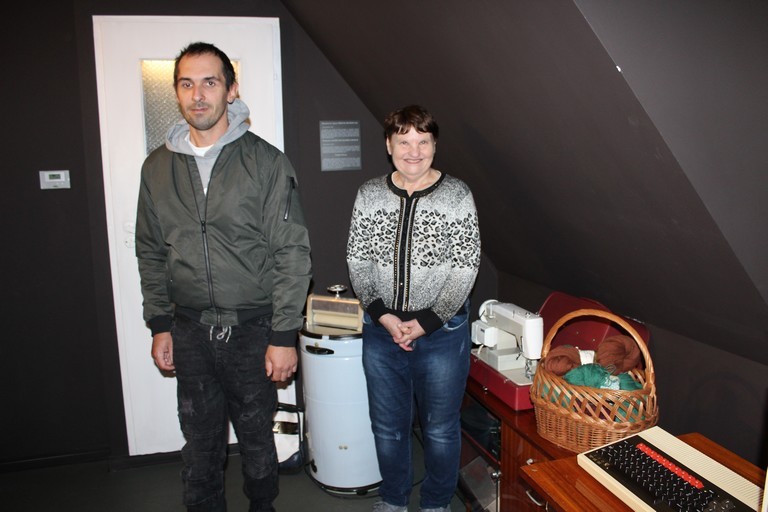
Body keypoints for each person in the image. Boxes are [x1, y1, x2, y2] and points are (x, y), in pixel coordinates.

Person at [135, 41, 312, 512]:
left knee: (257, 440)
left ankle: (262, 506)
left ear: (231, 90)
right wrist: (160, 324)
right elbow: (150, 251)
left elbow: (292, 253)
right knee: (199, 445)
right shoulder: (156, 168)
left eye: (210, 82)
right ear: (177, 92)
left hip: (253, 331)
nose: (198, 95)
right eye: (186, 84)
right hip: (190, 330)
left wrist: (283, 335)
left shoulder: (266, 162)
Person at [346, 105, 481, 512]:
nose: (414, 151)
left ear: (434, 145)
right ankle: (393, 499)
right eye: (404, 141)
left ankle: (436, 503)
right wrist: (384, 316)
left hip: (443, 334)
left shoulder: (457, 195)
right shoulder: (370, 194)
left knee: (440, 429)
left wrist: (425, 322)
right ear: (389, 146)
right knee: (388, 428)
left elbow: (466, 266)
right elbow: (357, 260)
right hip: (381, 332)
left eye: (423, 141)